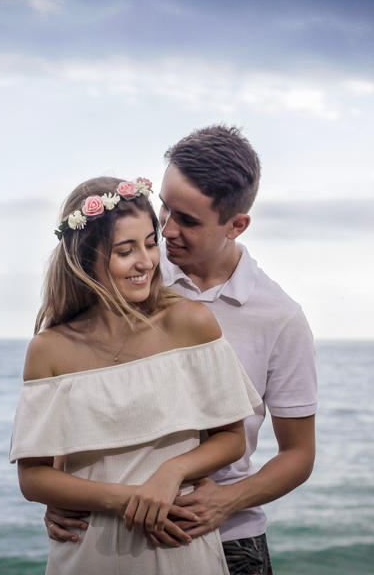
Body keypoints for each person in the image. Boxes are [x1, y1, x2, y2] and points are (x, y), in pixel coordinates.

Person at [45, 126, 318, 575]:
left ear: (236, 225)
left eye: (188, 220)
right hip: (113, 530)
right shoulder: (132, 272)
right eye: (165, 208)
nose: (166, 230)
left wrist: (227, 502)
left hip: (227, 538)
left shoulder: (279, 317)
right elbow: (77, 384)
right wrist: (63, 489)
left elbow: (298, 454)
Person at [9, 176, 264, 574]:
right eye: (125, 251)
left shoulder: (191, 323)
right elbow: (34, 477)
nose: (145, 261)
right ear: (84, 257)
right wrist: (129, 499)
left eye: (150, 243)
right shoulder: (49, 350)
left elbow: (232, 439)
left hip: (179, 543)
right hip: (89, 548)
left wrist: (172, 471)